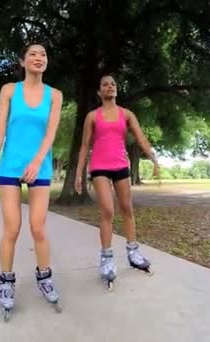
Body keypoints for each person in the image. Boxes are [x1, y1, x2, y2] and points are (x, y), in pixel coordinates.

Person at [0, 43, 63, 318]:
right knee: (12, 228)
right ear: (22, 61)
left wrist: (36, 161)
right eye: (33, 54)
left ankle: (45, 277)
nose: (38, 58)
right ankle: (5, 282)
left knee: (38, 228)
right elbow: (0, 129)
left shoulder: (55, 95)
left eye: (43, 54)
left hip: (39, 168)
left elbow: (51, 133)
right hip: (10, 167)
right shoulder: (9, 90)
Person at [75, 74, 159, 289]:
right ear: (99, 92)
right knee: (107, 211)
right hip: (99, 167)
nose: (109, 87)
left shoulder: (127, 114)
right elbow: (84, 146)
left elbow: (140, 138)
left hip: (121, 166)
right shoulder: (92, 116)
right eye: (105, 84)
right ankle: (106, 259)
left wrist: (153, 158)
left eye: (113, 84)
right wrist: (78, 174)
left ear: (116, 90)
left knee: (127, 209)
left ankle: (133, 252)